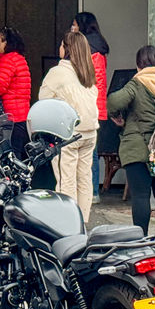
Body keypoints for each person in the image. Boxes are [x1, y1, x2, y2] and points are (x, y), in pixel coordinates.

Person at [107, 46, 155, 250]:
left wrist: (118, 117)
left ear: (139, 65)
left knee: (141, 196)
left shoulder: (138, 82)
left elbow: (114, 101)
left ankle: (141, 243)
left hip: (138, 149)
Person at [38, 30, 99, 219]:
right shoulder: (87, 72)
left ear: (67, 48)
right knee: (84, 178)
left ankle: (69, 222)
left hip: (69, 133)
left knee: (67, 180)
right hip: (90, 132)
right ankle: (83, 220)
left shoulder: (58, 72)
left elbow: (43, 99)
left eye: (61, 45)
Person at [73, 12, 109, 203]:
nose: (73, 28)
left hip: (88, 106)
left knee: (87, 151)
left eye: (75, 24)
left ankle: (92, 191)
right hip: (96, 105)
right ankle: (92, 191)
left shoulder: (89, 48)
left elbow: (89, 81)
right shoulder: (98, 47)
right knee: (90, 150)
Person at [0, 27, 32, 157]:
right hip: (22, 116)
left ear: (6, 43)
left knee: (8, 157)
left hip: (9, 117)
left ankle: (9, 179)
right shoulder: (20, 59)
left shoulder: (7, 60)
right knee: (16, 155)